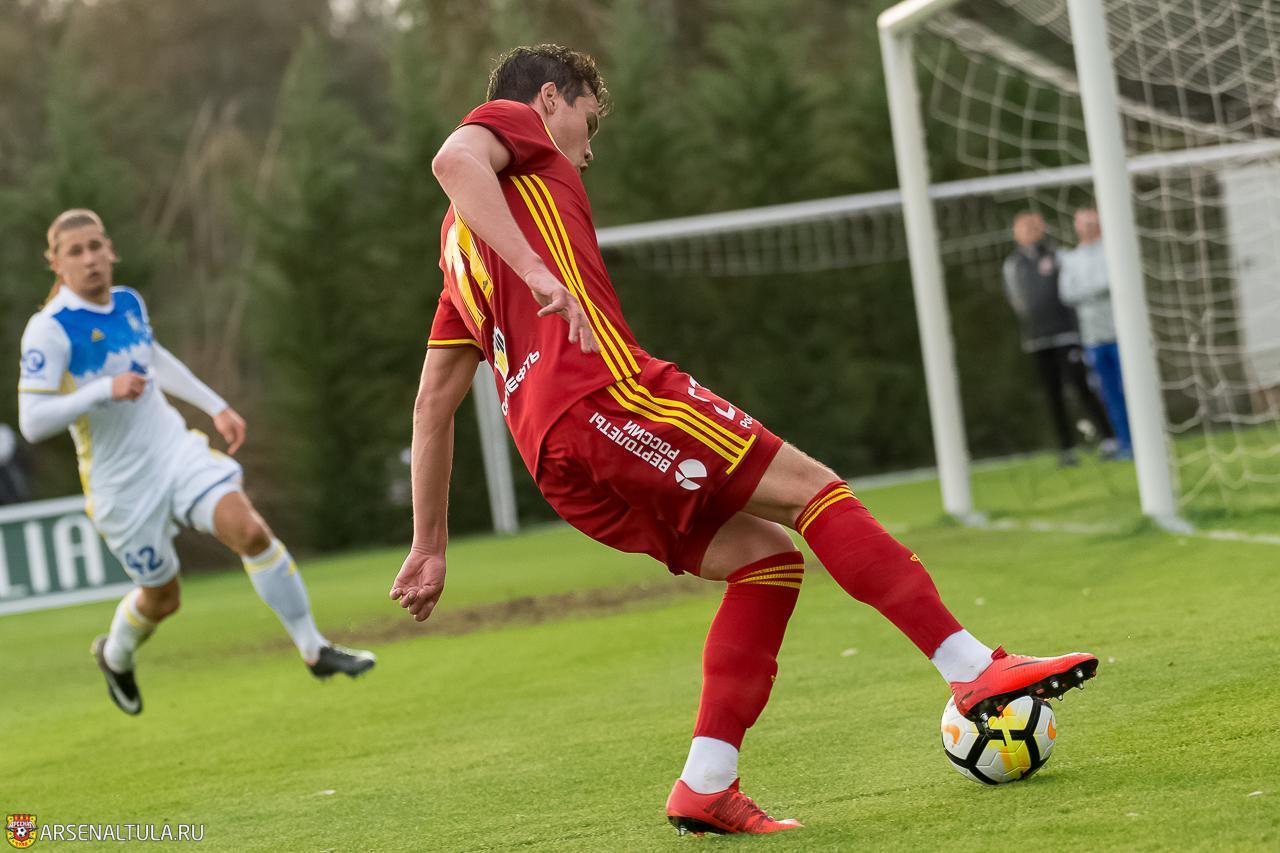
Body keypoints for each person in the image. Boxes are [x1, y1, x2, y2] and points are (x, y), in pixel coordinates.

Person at [391, 46, 1098, 835]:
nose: (588, 150)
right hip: (605, 395)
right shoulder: (518, 133)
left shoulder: (459, 252)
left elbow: (431, 406)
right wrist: (536, 271)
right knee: (813, 489)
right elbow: (453, 158)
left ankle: (706, 781)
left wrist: (429, 545)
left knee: (765, 560)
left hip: (557, 462)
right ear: (550, 101)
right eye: (589, 123)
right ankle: (972, 669)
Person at [17, 209, 375, 716]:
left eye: (96, 246)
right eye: (75, 252)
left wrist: (215, 406)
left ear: (110, 249)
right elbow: (33, 421)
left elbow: (153, 357)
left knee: (250, 531)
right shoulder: (49, 330)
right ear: (55, 263)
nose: (90, 259)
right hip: (121, 487)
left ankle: (314, 648)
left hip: (174, 451)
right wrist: (104, 389)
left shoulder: (128, 303)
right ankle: (115, 655)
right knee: (163, 598)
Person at [1003, 211, 1114, 465]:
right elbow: (1016, 300)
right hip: (1037, 339)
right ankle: (1066, 449)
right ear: (1016, 233)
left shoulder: (1058, 255)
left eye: (1034, 226)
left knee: (1082, 387)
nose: (1031, 232)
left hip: (1066, 334)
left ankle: (1108, 438)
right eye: (1025, 228)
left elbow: (1069, 289)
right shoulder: (1013, 265)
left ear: (1042, 228)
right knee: (1052, 395)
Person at [1059, 208, 1133, 460]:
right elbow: (1067, 293)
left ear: (1100, 224)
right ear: (1077, 227)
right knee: (1108, 393)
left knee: (1132, 388)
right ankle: (1124, 442)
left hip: (1120, 333)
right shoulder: (1072, 259)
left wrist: (1086, 291)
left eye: (1092, 223)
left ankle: (1146, 438)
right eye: (1083, 224)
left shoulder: (1112, 251)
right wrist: (1094, 290)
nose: (1088, 228)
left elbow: (1111, 282)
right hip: (1092, 337)